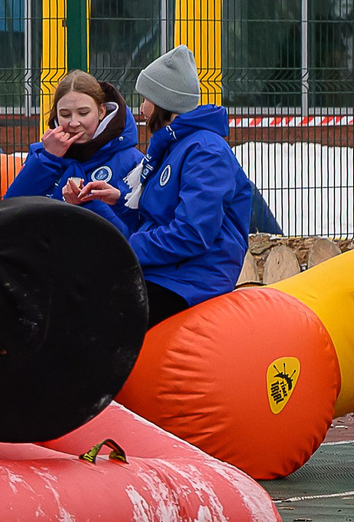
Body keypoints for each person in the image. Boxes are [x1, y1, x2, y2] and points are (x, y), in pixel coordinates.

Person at [72, 45, 252, 325]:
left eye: (145, 99)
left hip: (191, 280)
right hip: (169, 272)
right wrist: (119, 200)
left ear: (163, 102)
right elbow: (160, 216)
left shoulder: (205, 150)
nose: (141, 109)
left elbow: (193, 233)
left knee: (98, 315)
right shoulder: (174, 146)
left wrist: (126, 247)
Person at [7, 71, 141, 227]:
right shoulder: (42, 156)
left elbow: (134, 230)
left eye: (83, 113)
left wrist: (88, 202)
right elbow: (11, 211)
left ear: (101, 112)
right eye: (65, 114)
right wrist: (48, 159)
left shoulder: (132, 161)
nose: (74, 122)